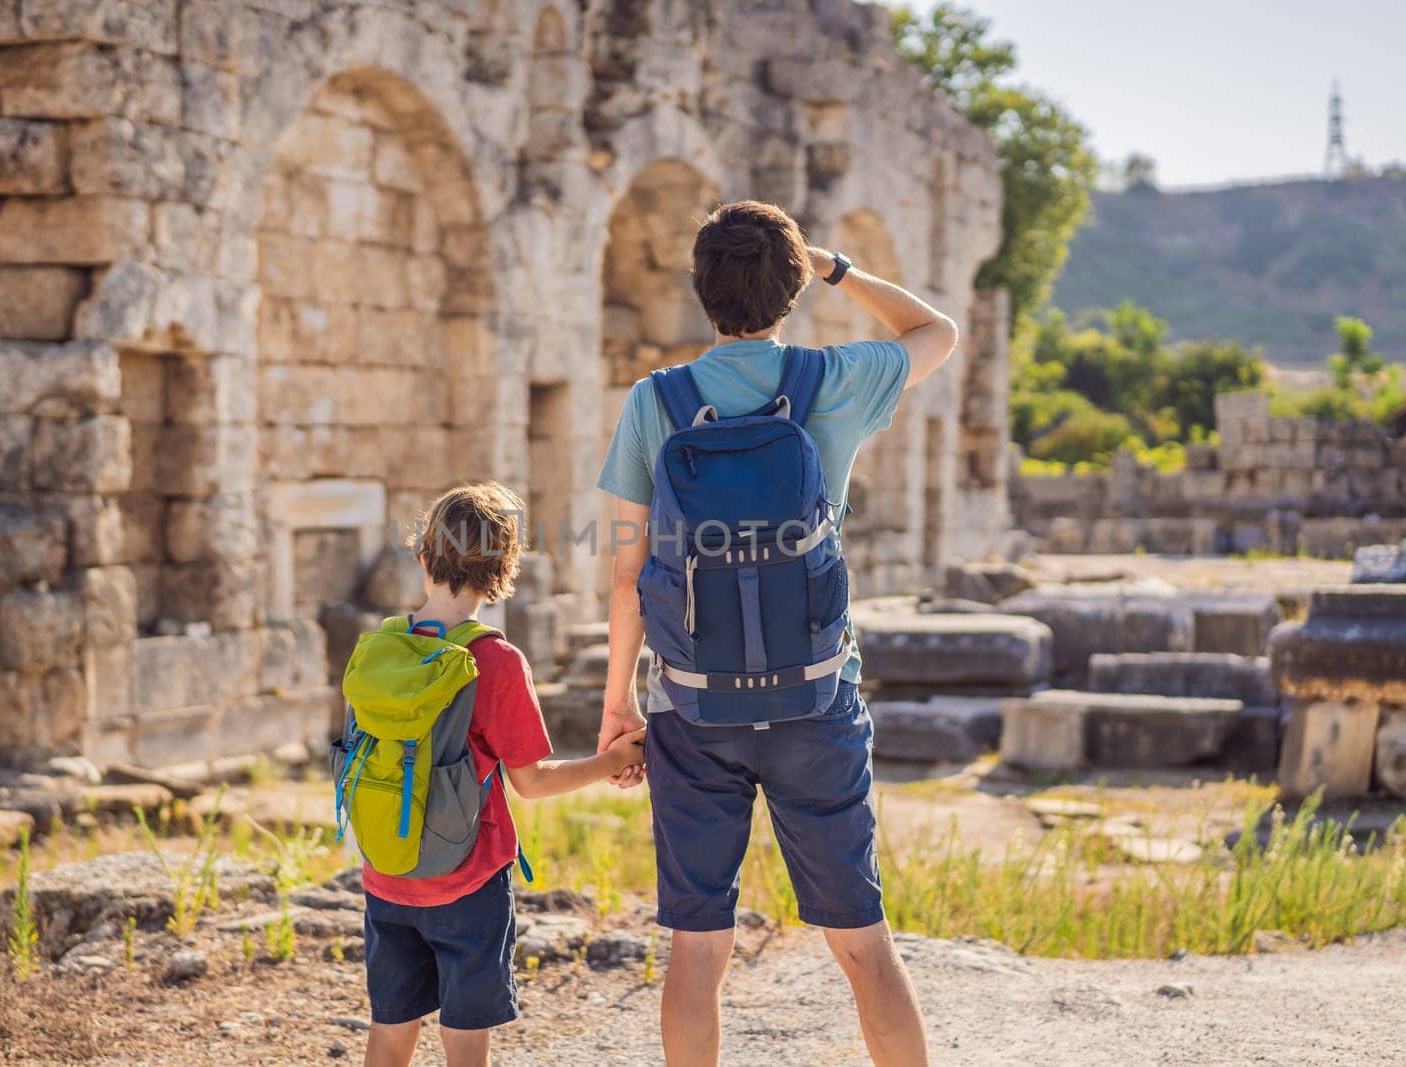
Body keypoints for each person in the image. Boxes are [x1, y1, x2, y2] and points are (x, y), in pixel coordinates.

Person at [596, 200, 958, 1066]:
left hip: (692, 706)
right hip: (816, 697)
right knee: (862, 940)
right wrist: (836, 265)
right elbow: (935, 331)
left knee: (697, 946)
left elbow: (624, 576)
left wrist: (617, 707)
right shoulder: (838, 378)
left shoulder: (657, 401)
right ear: (793, 289)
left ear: (699, 289)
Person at [360, 482, 647, 1067]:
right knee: (464, 1037)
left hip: (386, 872)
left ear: (422, 556)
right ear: (502, 569)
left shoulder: (380, 648)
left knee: (390, 1029)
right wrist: (617, 759)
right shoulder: (494, 660)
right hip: (467, 877)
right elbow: (533, 781)